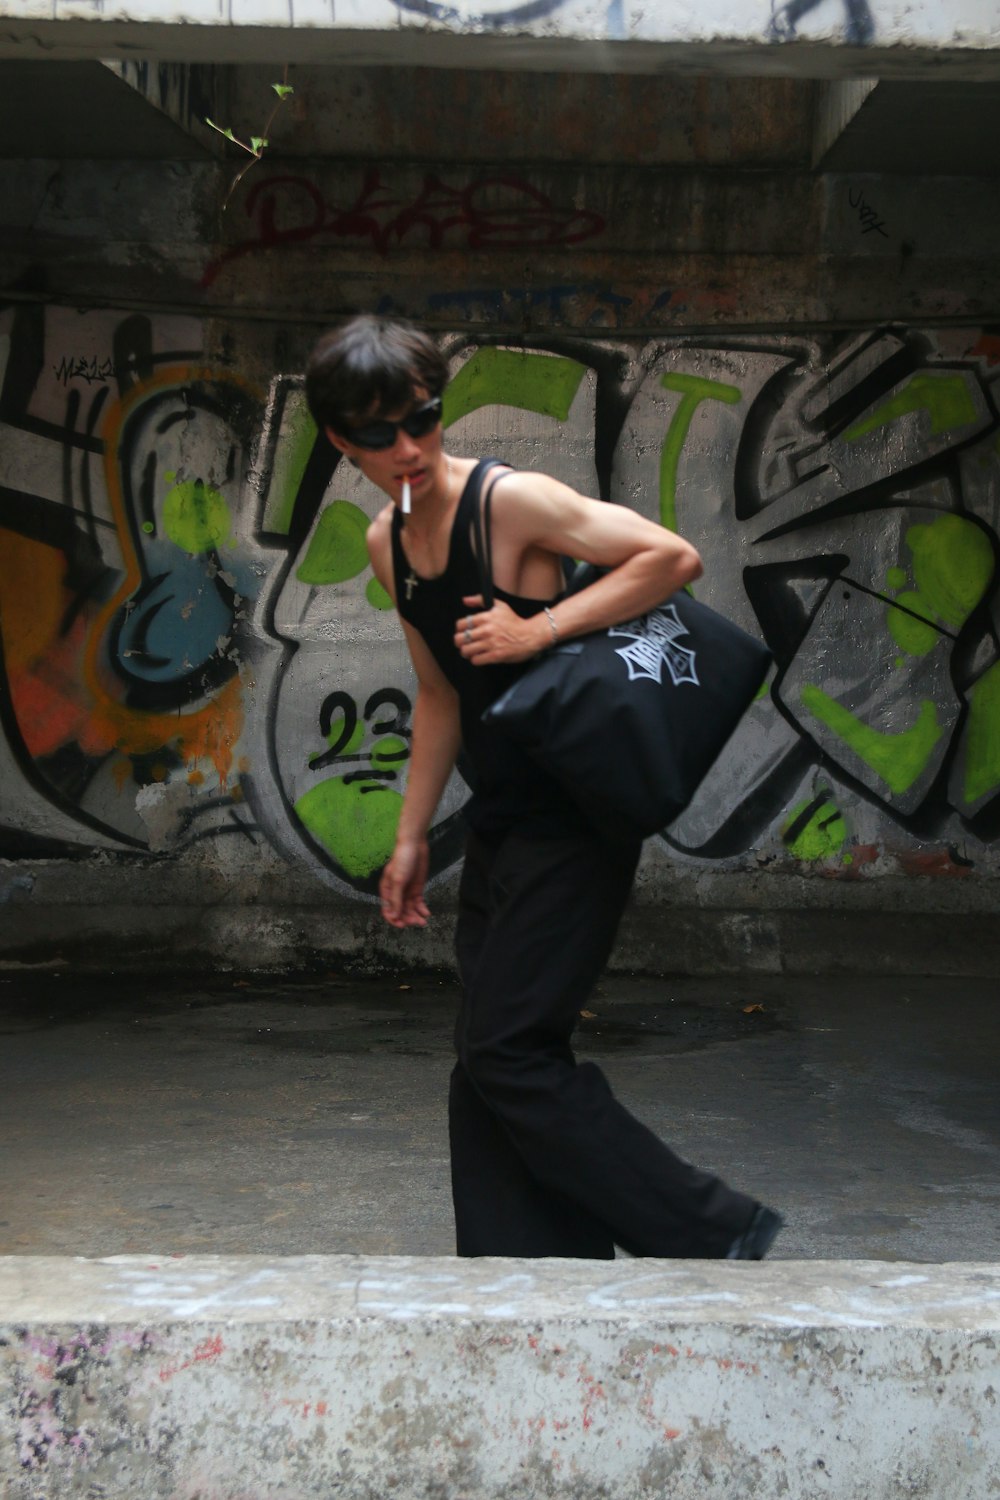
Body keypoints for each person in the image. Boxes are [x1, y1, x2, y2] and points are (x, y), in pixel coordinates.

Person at [306, 314, 783, 1261]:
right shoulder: (387, 542)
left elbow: (669, 558)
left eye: (423, 420)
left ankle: (712, 1229)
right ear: (337, 441)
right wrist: (410, 839)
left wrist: (543, 627)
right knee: (486, 1057)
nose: (408, 448)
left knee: (508, 1052)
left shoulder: (508, 503)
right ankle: (526, 1269)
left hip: (576, 816)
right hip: (504, 817)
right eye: (378, 435)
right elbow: (439, 692)